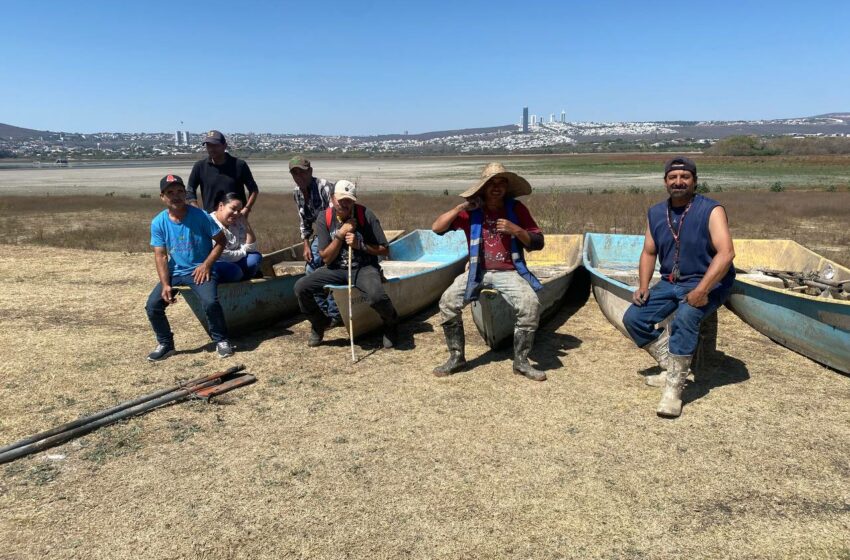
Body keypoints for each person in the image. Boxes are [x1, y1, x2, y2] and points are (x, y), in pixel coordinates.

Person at [622, 156, 735, 418]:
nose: (679, 182)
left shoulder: (712, 209)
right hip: (671, 281)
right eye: (673, 177)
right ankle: (672, 367)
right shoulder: (655, 213)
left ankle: (674, 389)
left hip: (706, 281)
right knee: (634, 317)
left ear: (695, 181)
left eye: (685, 177)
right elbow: (649, 252)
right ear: (665, 182)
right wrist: (643, 285)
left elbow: (726, 253)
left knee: (685, 317)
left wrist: (702, 290)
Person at [431, 162, 546, 381]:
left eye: (501, 183)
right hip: (477, 271)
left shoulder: (516, 209)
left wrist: (516, 230)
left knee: (530, 305)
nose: (496, 187)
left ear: (507, 187)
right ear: (482, 187)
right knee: (447, 303)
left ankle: (521, 362)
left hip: (509, 272)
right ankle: (457, 357)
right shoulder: (472, 211)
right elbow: (437, 228)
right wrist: (460, 208)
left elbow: (538, 242)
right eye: (491, 183)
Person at [293, 180, 399, 348]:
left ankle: (390, 322)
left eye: (349, 200)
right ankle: (320, 323)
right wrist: (340, 235)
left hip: (364, 267)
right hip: (335, 268)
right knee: (301, 287)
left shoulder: (366, 215)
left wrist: (360, 245)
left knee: (377, 296)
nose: (345, 204)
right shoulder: (325, 217)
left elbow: (384, 250)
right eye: (341, 199)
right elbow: (326, 258)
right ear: (333, 198)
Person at [145, 174, 234, 361]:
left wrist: (206, 265)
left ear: (185, 193)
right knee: (152, 306)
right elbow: (160, 255)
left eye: (179, 191)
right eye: (170, 192)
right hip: (175, 272)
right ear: (163, 197)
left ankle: (221, 340)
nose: (176, 196)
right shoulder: (158, 222)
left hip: (200, 269)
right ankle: (165, 344)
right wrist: (165, 284)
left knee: (210, 302)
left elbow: (220, 241)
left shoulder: (200, 216)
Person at [288, 155, 341, 325]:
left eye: (302, 173)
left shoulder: (324, 187)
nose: (299, 177)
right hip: (320, 236)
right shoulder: (297, 193)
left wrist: (330, 248)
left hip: (336, 233)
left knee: (333, 266)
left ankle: (335, 313)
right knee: (311, 269)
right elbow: (303, 220)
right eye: (295, 174)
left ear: (310, 171)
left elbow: (336, 218)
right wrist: (306, 245)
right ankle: (322, 312)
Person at [187, 130, 259, 213]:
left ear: (225, 146)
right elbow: (190, 191)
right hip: (210, 219)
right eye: (208, 145)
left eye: (215, 145)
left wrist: (246, 210)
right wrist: (199, 212)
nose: (211, 149)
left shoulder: (239, 165)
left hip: (236, 218)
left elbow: (254, 190)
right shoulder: (199, 166)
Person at [209, 192, 263, 282]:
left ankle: (242, 278)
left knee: (255, 258)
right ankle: (242, 276)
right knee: (235, 271)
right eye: (233, 209)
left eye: (239, 210)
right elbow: (224, 255)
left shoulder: (236, 221)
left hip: (235, 259)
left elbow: (252, 248)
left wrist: (246, 224)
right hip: (217, 263)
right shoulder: (210, 222)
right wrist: (243, 252)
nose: (236, 213)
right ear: (221, 206)